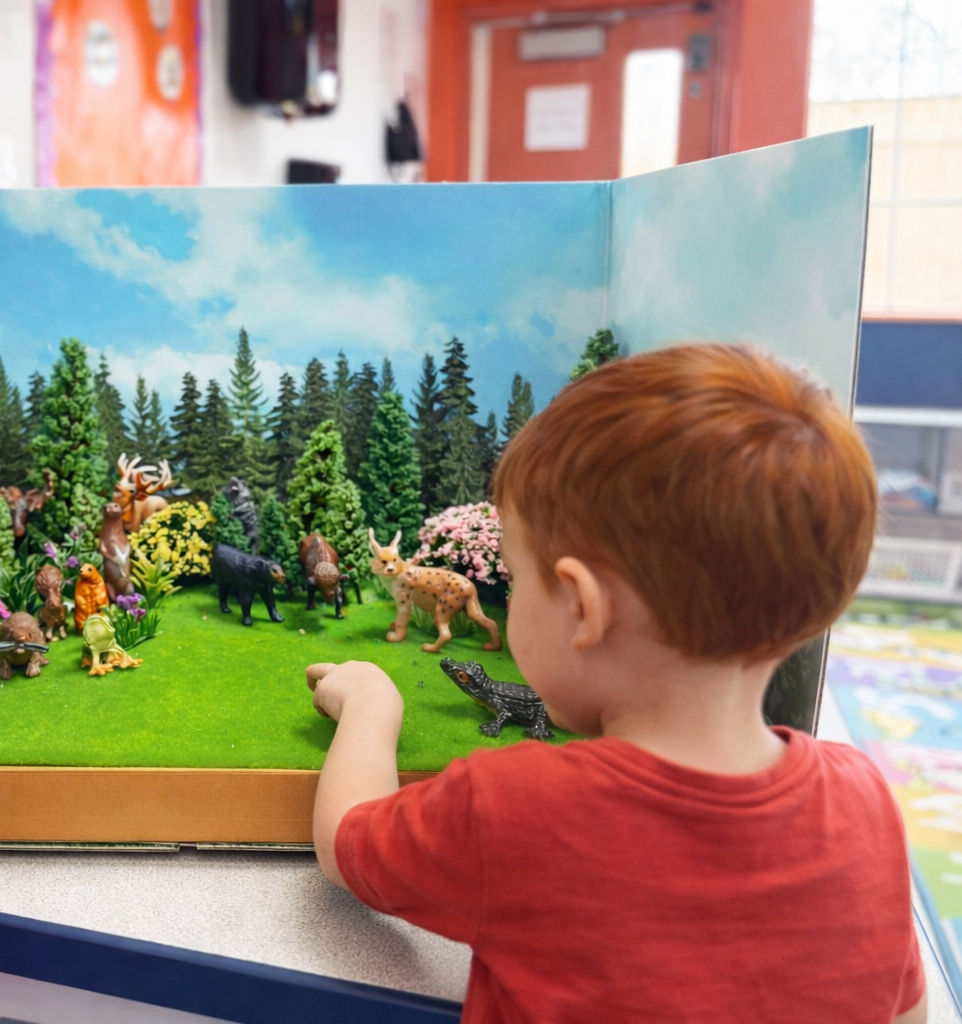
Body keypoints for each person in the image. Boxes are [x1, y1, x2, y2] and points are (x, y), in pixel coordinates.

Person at [309, 344, 925, 1024]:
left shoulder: (513, 808)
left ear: (582, 607)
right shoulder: (867, 803)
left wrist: (369, 704)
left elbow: (346, 845)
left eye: (515, 577)